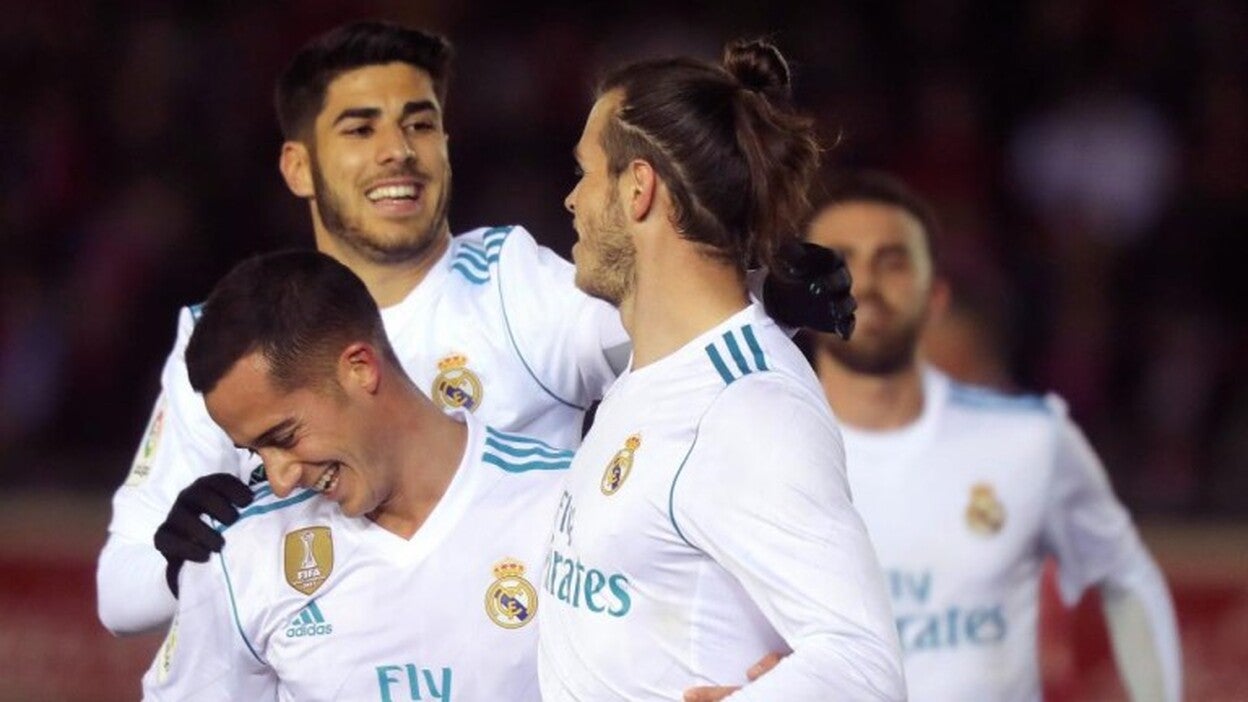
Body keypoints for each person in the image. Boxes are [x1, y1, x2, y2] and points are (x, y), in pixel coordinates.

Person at [98, 20, 854, 636]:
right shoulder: (229, 348)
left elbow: (670, 323)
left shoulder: (513, 287)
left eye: (420, 123)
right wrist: (180, 562)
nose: (398, 150)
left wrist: (766, 289)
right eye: (360, 128)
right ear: (298, 167)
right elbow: (117, 594)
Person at [537, 41, 904, 701]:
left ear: (638, 188)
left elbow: (864, 668)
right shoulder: (656, 371)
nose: (571, 199)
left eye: (584, 172)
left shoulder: (748, 409)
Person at [801, 171, 1182, 701]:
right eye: (841, 261)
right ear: (802, 299)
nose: (864, 284)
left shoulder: (1028, 440)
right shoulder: (754, 447)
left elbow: (1127, 576)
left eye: (892, 262)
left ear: (935, 297)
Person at [141, 249, 569, 699]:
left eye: (284, 436)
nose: (280, 479)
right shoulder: (242, 551)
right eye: (255, 452)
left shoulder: (561, 503)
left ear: (360, 369)